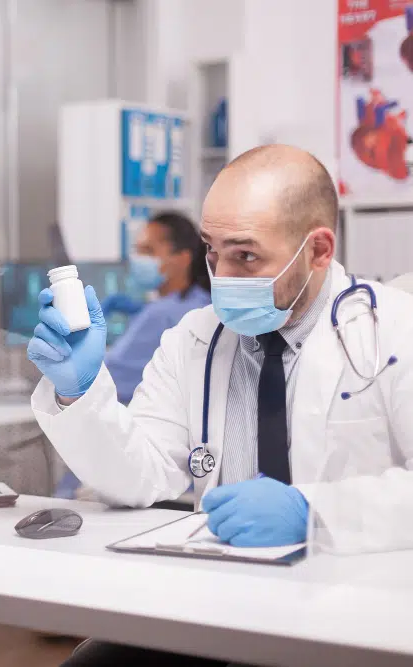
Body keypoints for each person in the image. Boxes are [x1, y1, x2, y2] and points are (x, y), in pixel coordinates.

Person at [28, 144, 413, 666]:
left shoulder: (394, 331)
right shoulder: (194, 338)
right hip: (217, 601)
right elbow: (141, 475)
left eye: (246, 256)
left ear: (319, 250)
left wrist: (313, 511)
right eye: (212, 252)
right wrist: (78, 389)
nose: (222, 276)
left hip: (354, 612)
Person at [54, 212, 211, 498]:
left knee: (70, 493)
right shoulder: (192, 306)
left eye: (148, 251)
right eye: (138, 250)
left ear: (182, 258)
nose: (138, 259)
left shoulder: (162, 314)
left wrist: (70, 363)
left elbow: (104, 377)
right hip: (179, 461)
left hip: (148, 455)